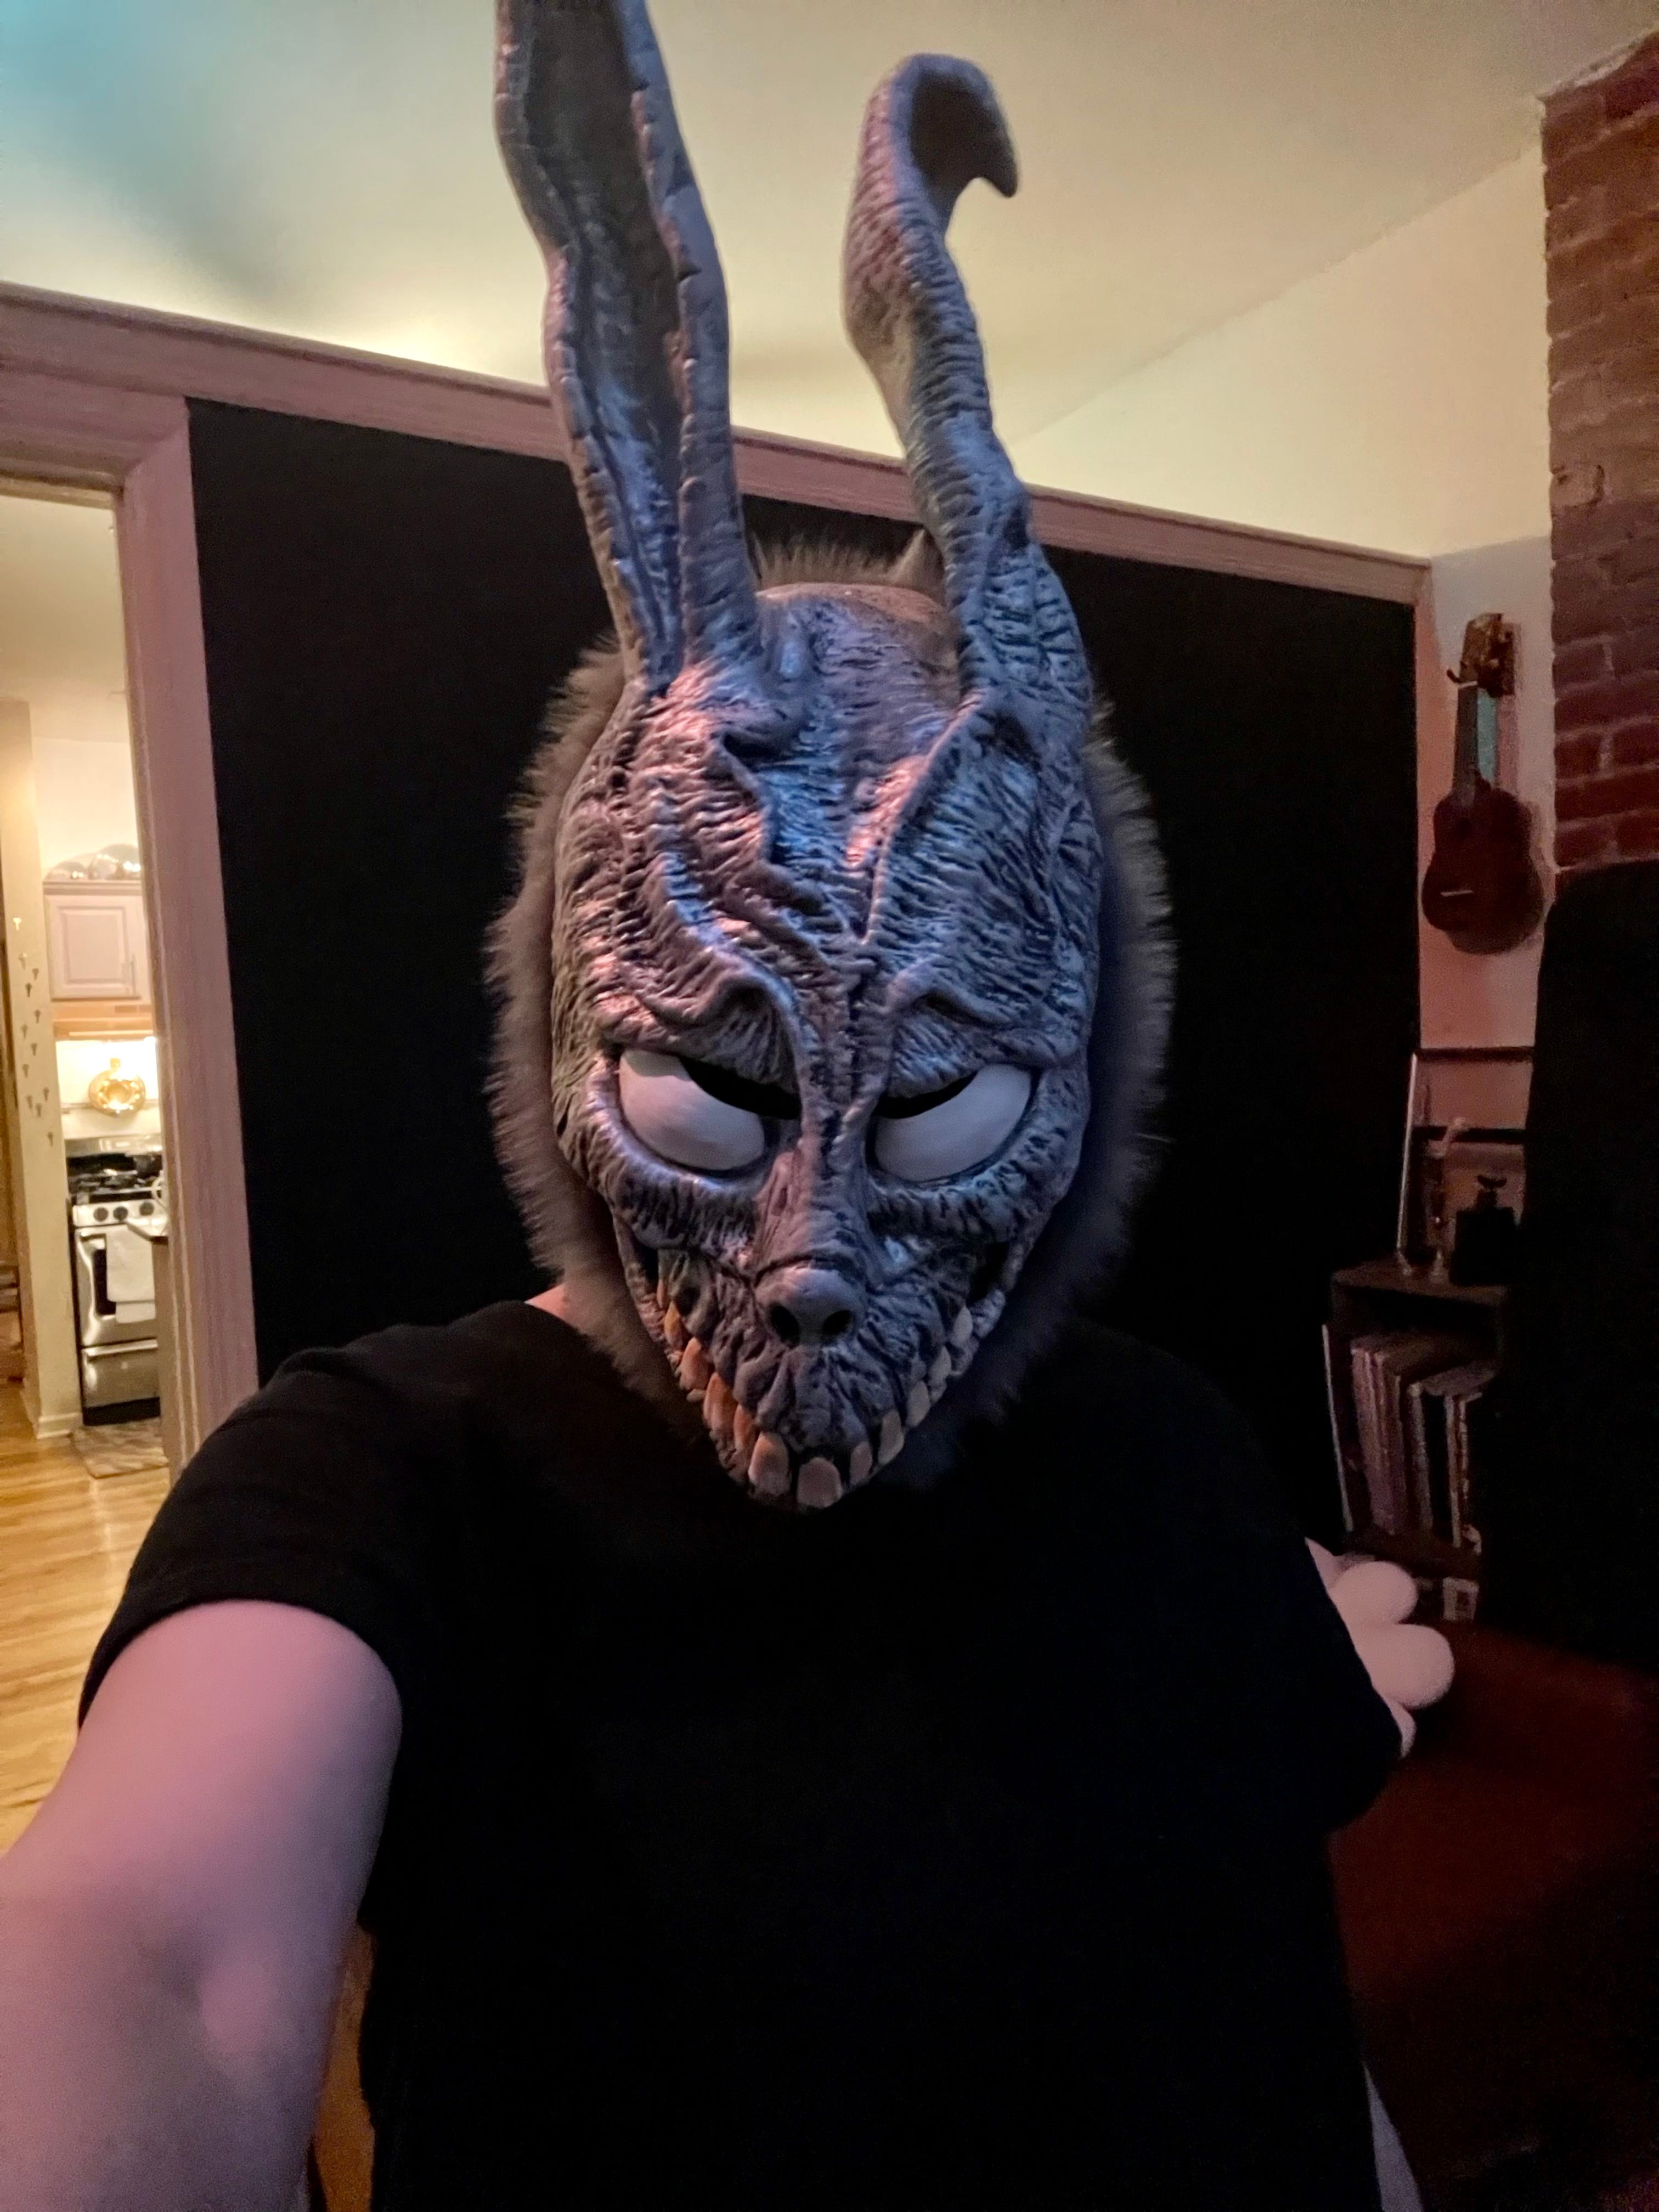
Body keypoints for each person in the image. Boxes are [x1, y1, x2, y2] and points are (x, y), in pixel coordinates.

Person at [0, 3, 1403, 2204]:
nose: (813, 1267)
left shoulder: (1166, 1446)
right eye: (708, 1098)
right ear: (580, 1030)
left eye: (937, 1114)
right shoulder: (385, 1474)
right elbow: (148, 1967)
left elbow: (1302, 2040)